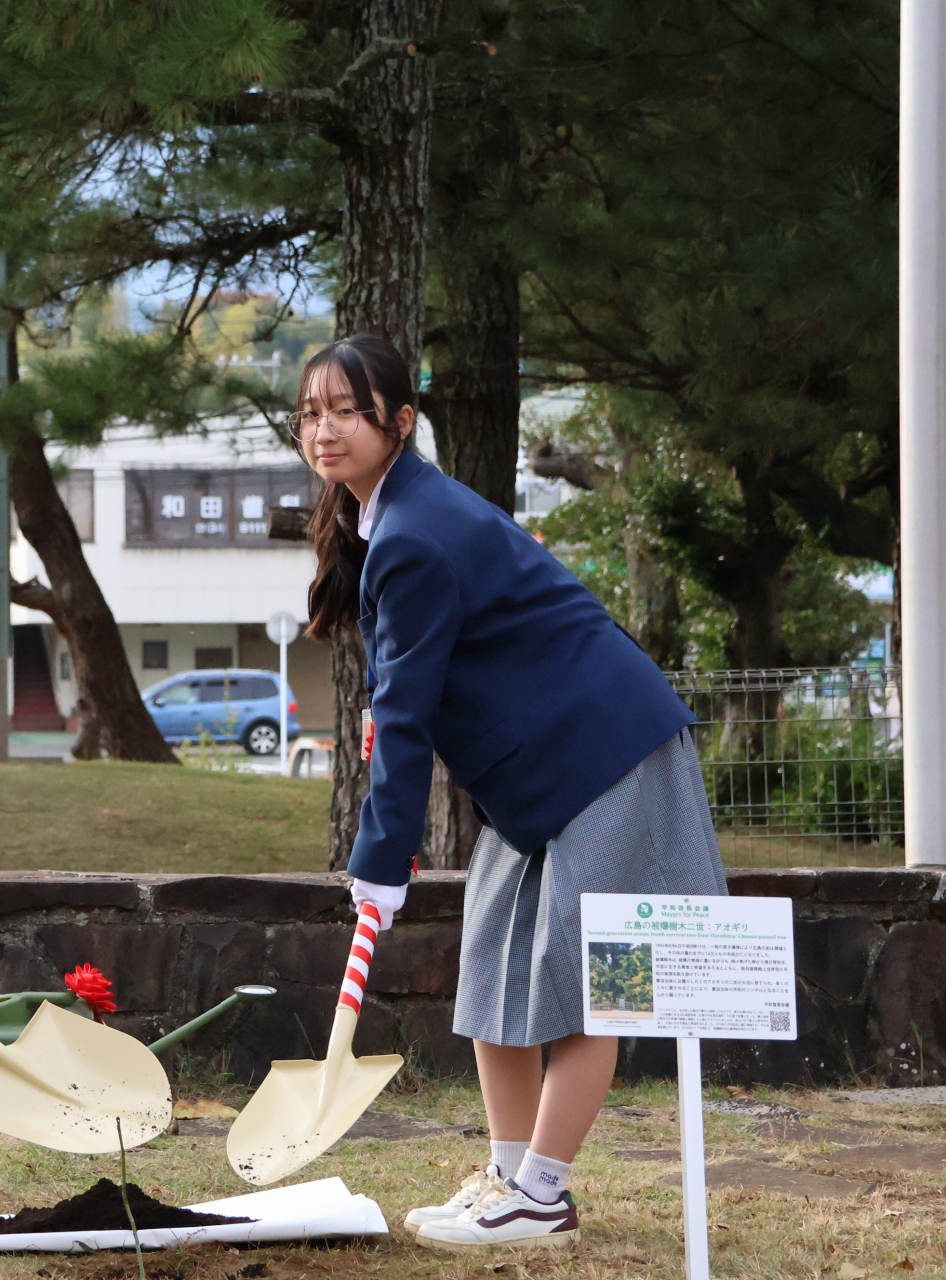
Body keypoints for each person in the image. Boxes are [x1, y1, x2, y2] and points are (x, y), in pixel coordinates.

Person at [293, 335, 723, 1252]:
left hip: (606, 750)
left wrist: (379, 862)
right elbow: (408, 702)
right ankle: (509, 1175)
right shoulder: (384, 521)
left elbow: (403, 713)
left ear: (400, 423)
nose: (324, 430)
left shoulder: (413, 534)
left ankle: (545, 1195)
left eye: (346, 410)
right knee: (493, 955)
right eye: (311, 412)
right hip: (534, 772)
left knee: (586, 979)